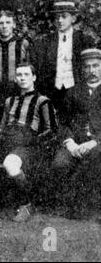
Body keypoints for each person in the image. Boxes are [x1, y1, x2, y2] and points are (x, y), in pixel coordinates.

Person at [0, 63, 57, 223]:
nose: (22, 78)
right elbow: (2, 127)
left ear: (34, 77)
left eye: (26, 75)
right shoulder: (10, 101)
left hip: (27, 146)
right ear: (15, 78)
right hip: (4, 143)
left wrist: (33, 141)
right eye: (19, 75)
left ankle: (26, 204)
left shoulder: (43, 101)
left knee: (10, 164)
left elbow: (52, 130)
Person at [51, 49, 101, 214]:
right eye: (87, 67)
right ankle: (70, 205)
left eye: (96, 66)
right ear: (82, 69)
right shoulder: (73, 92)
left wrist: (95, 141)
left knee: (94, 157)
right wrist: (70, 143)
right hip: (76, 143)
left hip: (98, 142)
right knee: (60, 163)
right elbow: (62, 123)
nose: (91, 71)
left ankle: (90, 206)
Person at [31, 1, 94, 111]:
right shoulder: (45, 42)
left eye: (64, 17)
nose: (60, 20)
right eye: (57, 17)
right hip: (53, 93)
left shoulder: (85, 41)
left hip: (78, 92)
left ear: (73, 19)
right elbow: (39, 69)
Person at [0, 10, 30, 136]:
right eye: (1, 23)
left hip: (17, 91)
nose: (4, 26)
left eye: (8, 22)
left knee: (15, 127)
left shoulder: (22, 44)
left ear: (13, 25)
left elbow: (29, 69)